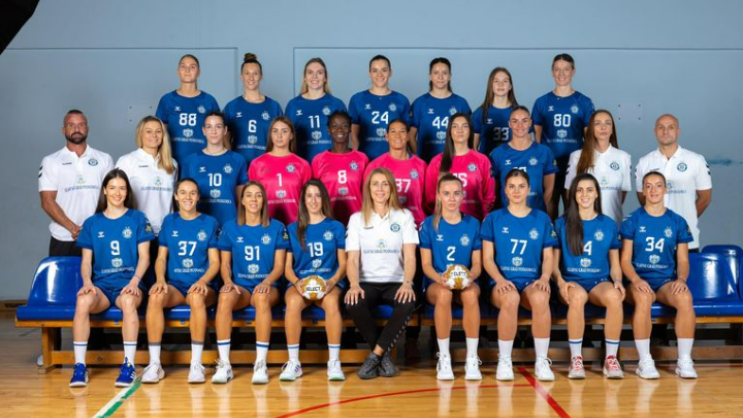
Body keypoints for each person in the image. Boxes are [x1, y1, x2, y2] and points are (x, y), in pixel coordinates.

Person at [69, 169, 155, 387]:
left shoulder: (137, 218)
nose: (118, 192)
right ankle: (79, 366)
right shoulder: (92, 222)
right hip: (103, 287)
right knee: (83, 300)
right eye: (113, 188)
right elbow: (86, 261)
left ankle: (128, 365)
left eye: (122, 188)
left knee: (128, 301)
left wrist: (134, 282)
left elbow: (145, 257)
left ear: (127, 192)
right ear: (105, 191)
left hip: (130, 283)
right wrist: (87, 283)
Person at [141, 179, 220, 384]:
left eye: (192, 193)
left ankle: (196, 363)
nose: (188, 197)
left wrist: (202, 281)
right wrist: (160, 279)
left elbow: (215, 262)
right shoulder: (169, 221)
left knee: (196, 297)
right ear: (176, 196)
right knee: (155, 296)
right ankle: (155, 364)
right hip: (176, 286)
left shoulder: (209, 222)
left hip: (203, 287)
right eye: (183, 192)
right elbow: (161, 258)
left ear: (198, 197)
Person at [481, 169, 557, 382]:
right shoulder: (493, 218)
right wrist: (500, 279)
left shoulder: (541, 219)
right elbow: (487, 258)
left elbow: (548, 256)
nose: (516, 191)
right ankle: (505, 360)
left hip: (531, 282)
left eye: (521, 186)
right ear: (505, 190)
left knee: (541, 297)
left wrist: (544, 277)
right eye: (511, 186)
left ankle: (541, 360)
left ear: (529, 189)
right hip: (502, 282)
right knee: (511, 297)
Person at [620, 171, 697, 379]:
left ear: (665, 189)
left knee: (685, 297)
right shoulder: (632, 220)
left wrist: (681, 279)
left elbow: (683, 260)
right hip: (637, 280)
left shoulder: (677, 221)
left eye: (658, 185)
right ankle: (644, 360)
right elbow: (624, 260)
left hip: (664, 281)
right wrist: (636, 280)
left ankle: (684, 360)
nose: (653, 190)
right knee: (644, 297)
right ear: (643, 191)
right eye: (648, 186)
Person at [345, 168, 418, 379]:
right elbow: (352, 259)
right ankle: (383, 357)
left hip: (396, 282)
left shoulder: (404, 216)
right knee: (353, 302)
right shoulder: (357, 219)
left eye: (385, 184)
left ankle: (374, 356)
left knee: (407, 302)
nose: (380, 188)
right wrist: (354, 285)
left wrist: (407, 283)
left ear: (392, 188)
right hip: (366, 282)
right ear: (368, 189)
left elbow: (410, 257)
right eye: (375, 184)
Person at [213, 181, 289, 384]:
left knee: (262, 297)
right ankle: (224, 364)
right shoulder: (230, 227)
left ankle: (260, 363)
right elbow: (225, 264)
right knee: (224, 297)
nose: (254, 199)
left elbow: (279, 266)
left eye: (258, 195)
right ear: (242, 201)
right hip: (241, 287)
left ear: (264, 200)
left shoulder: (276, 227)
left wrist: (266, 282)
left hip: (268, 286)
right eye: (249, 195)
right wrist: (228, 281)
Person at [553, 173, 625, 379]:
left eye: (589, 190)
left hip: (598, 282)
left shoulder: (608, 224)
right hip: (571, 281)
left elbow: (615, 265)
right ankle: (576, 360)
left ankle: (611, 359)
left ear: (596, 194)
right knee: (577, 297)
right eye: (579, 190)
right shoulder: (561, 223)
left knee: (614, 296)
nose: (584, 194)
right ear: (573, 195)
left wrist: (618, 281)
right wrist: (560, 282)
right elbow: (553, 264)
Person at [281, 180, 348, 382]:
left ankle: (334, 362)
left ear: (324, 199)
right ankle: (294, 362)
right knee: (293, 302)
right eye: (309, 196)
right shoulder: (292, 229)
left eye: (318, 195)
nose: (314, 200)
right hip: (301, 282)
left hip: (328, 282)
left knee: (332, 301)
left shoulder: (336, 227)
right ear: (303, 200)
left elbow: (343, 264)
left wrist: (332, 282)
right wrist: (297, 283)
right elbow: (287, 267)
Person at [420, 174, 482, 381]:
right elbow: (426, 264)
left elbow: (478, 264)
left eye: (456, 193)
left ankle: (472, 358)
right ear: (438, 196)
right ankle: (444, 357)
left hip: (465, 281)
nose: (452, 198)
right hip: (438, 282)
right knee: (444, 294)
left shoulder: (473, 224)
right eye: (446, 194)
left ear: (463, 196)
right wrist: (440, 279)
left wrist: (470, 277)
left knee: (471, 295)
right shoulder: (429, 224)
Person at [40, 109, 114, 257]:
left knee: (99, 274)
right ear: (63, 130)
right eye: (71, 125)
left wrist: (93, 228)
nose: (76, 129)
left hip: (98, 236)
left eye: (81, 125)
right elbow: (47, 201)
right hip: (63, 238)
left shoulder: (104, 159)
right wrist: (73, 228)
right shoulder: (51, 161)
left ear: (87, 128)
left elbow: (112, 198)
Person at [635, 114, 712, 251]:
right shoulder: (644, 162)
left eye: (671, 127)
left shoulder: (696, 160)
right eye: (661, 127)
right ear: (655, 132)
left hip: (687, 240)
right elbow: (642, 198)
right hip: (655, 239)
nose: (665, 131)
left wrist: (684, 222)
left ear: (678, 131)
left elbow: (705, 198)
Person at [532, 53, 595, 216]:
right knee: (548, 209)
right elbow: (537, 139)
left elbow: (589, 138)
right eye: (557, 69)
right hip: (549, 166)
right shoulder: (542, 102)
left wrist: (585, 163)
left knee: (573, 211)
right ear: (552, 72)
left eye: (566, 69)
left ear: (573, 71)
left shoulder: (584, 102)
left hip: (574, 165)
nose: (561, 74)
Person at [181, 111, 248, 226]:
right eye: (209, 126)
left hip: (229, 224)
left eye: (218, 126)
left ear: (225, 130)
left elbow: (242, 200)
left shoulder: (238, 160)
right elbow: (183, 199)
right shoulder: (191, 161)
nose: (213, 131)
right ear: (204, 130)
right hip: (199, 225)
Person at [564, 110, 631, 225]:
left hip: (613, 224)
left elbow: (622, 194)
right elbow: (569, 192)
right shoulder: (576, 156)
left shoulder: (624, 157)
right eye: (597, 123)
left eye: (607, 123)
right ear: (591, 129)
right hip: (583, 225)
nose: (603, 127)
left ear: (612, 129)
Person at [424, 113, 495, 220]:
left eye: (464, 126)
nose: (460, 130)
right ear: (449, 131)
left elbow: (489, 196)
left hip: (474, 222)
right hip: (444, 223)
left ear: (470, 130)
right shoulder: (437, 162)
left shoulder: (482, 160)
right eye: (455, 126)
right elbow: (430, 198)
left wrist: (479, 218)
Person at [116, 115, 178, 236]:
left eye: (158, 131)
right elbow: (114, 197)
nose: (154, 135)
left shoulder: (173, 164)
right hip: (137, 231)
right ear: (140, 134)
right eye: (149, 131)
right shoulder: (127, 161)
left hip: (166, 233)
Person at [490, 106, 557, 214]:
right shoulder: (497, 154)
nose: (520, 125)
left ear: (530, 123)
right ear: (509, 124)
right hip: (506, 216)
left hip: (535, 215)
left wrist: (537, 213)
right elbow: (493, 191)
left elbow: (549, 189)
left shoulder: (544, 152)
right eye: (515, 121)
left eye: (524, 121)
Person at [156, 54, 220, 166]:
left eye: (192, 67)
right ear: (178, 72)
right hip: (172, 162)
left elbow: (218, 134)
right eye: (183, 66)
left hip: (202, 162)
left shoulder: (209, 101)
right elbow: (159, 133)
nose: (187, 70)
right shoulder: (167, 100)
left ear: (199, 72)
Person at [248, 116, 312, 225]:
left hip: (296, 225)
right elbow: (251, 199)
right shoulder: (257, 164)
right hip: (266, 226)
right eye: (275, 131)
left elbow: (308, 199)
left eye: (284, 131)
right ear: (270, 135)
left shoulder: (302, 165)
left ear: (291, 135)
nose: (279, 135)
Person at [223, 53, 284, 167]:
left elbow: (282, 139)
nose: (251, 78)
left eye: (255, 73)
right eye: (247, 73)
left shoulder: (274, 106)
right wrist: (232, 162)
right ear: (241, 76)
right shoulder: (232, 107)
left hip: (267, 166)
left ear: (261, 76)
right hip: (240, 166)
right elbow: (225, 140)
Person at [364, 119, 428, 227]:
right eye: (393, 131)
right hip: (384, 226)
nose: (398, 135)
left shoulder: (421, 165)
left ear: (408, 136)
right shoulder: (375, 166)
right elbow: (367, 199)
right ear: (387, 136)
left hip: (415, 225)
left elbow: (428, 201)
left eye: (402, 131)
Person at [312, 111, 369, 226]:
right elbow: (314, 194)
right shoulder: (319, 160)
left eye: (345, 125)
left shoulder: (362, 158)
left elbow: (368, 193)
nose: (340, 129)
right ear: (328, 130)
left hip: (357, 222)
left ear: (350, 129)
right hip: (328, 221)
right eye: (335, 126)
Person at [349, 55, 411, 160]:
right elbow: (353, 135)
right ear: (369, 73)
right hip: (366, 160)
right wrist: (359, 158)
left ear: (390, 72)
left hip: (393, 160)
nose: (380, 75)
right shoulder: (357, 99)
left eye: (384, 70)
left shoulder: (401, 100)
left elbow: (406, 135)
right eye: (375, 71)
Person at [409, 57, 472, 162]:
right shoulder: (420, 103)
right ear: (430, 76)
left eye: (444, 73)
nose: (440, 77)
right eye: (436, 73)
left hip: (455, 162)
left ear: (450, 76)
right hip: (427, 163)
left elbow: (469, 135)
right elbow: (411, 135)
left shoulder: (461, 103)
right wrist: (419, 159)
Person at [285, 58, 347, 162]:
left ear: (325, 78)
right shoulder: (293, 105)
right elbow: (287, 139)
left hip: (331, 163)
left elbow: (345, 138)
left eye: (319, 72)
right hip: (302, 164)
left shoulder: (336, 104)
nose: (315, 76)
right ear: (305, 78)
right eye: (310, 72)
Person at [472, 67, 519, 155]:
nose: (501, 84)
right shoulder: (479, 113)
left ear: (510, 86)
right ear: (491, 85)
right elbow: (473, 148)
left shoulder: (519, 113)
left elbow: (526, 144)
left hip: (514, 161)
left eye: (505, 81)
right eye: (496, 81)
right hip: (487, 162)